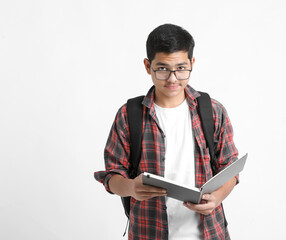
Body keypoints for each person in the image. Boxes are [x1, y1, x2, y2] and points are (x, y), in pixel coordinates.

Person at [94, 23, 239, 240]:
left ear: (192, 63)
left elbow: (229, 168)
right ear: (147, 65)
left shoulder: (213, 111)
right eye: (162, 69)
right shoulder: (129, 115)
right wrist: (131, 187)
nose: (172, 79)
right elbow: (111, 176)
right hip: (148, 232)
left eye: (181, 68)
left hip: (210, 233)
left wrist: (217, 197)